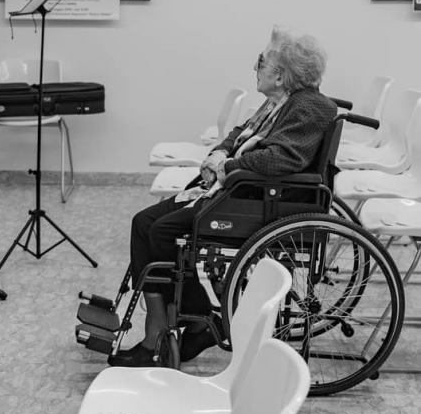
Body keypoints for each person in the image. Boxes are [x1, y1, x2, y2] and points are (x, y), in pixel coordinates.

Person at [112, 26, 337, 367]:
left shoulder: (310, 107)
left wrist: (229, 165)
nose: (255, 68)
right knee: (143, 222)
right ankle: (171, 323)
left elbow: (282, 159)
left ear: (280, 76)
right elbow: (238, 134)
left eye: (261, 63)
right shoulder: (278, 103)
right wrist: (219, 155)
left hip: (259, 199)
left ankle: (184, 322)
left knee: (161, 231)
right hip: (239, 188)